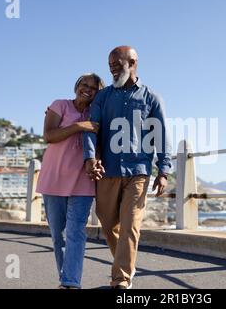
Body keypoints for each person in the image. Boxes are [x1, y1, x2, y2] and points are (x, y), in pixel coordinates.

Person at [83, 46, 172, 289]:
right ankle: (125, 263)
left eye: (117, 64)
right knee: (108, 222)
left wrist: (163, 171)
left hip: (138, 171)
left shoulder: (151, 98)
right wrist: (90, 157)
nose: (112, 69)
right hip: (108, 170)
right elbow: (92, 129)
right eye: (110, 65)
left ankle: (121, 279)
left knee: (131, 224)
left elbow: (161, 136)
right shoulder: (103, 97)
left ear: (132, 62)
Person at [36, 73, 105, 289]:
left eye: (93, 88)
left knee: (76, 232)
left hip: (82, 182)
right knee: (59, 237)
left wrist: (98, 161)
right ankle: (65, 279)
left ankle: (70, 283)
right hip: (53, 179)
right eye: (83, 84)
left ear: (98, 93)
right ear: (76, 86)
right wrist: (79, 126)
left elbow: (100, 143)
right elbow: (49, 135)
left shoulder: (97, 113)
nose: (87, 89)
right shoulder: (60, 105)